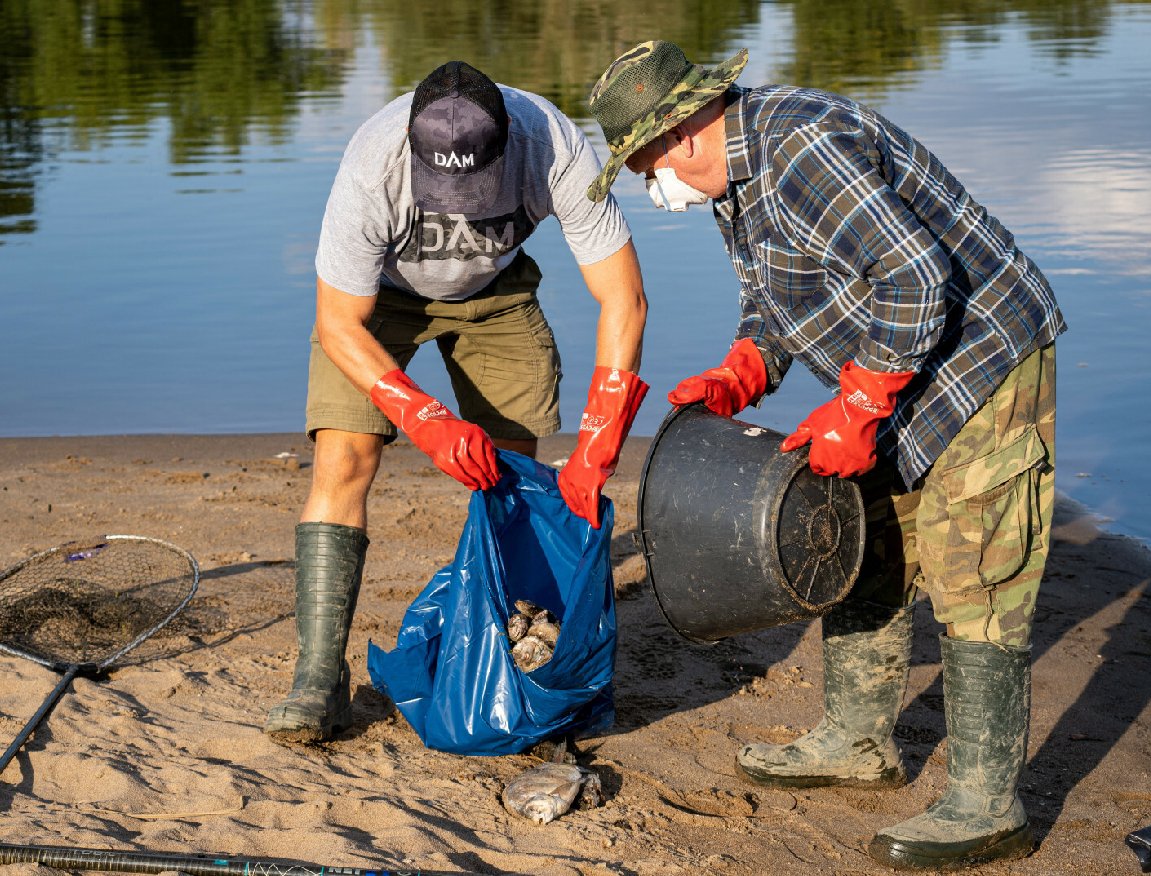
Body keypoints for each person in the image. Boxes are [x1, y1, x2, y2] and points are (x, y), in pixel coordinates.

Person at [585, 41, 1065, 870]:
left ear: (683, 136)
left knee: (974, 573)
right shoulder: (735, 179)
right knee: (865, 539)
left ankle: (991, 807)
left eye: (640, 167)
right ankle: (856, 740)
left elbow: (918, 278)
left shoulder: (801, 148)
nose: (646, 185)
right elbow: (776, 297)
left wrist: (860, 402)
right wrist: (748, 366)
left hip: (979, 357)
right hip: (894, 365)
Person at [265, 61, 648, 744]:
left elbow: (622, 297)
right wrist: (425, 416)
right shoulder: (371, 166)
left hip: (495, 296)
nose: (456, 204)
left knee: (514, 476)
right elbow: (337, 323)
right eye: (442, 188)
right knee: (344, 461)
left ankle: (509, 647)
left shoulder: (554, 146)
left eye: (473, 187)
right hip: (377, 303)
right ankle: (319, 678)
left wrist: (599, 442)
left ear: (508, 144)